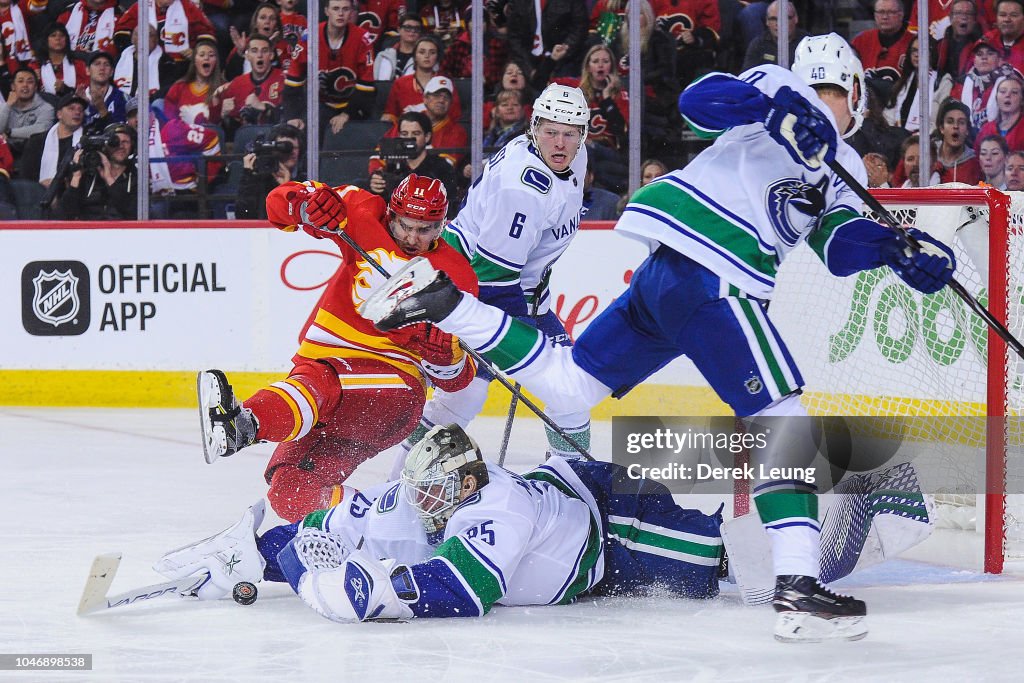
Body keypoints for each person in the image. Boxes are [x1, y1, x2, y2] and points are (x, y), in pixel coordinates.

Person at [360, 33, 958, 641]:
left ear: (855, 96)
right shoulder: (776, 87)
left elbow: (837, 248)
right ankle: (798, 588)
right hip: (712, 273)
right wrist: (779, 111)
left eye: (835, 93)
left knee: (572, 387)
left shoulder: (846, 168)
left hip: (666, 281)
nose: (829, 101)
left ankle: (446, 303)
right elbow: (702, 101)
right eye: (822, 91)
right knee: (785, 418)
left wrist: (894, 250)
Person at [155, 424, 929, 629]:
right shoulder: (432, 489)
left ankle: (859, 501)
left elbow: (456, 593)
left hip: (614, 530)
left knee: (735, 568)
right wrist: (261, 550)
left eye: (431, 496)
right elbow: (335, 512)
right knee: (728, 548)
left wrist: (335, 585)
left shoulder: (496, 508)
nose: (416, 505)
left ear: (459, 488)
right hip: (581, 491)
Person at [197, 175, 479, 523]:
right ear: (390, 213)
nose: (411, 238)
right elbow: (276, 205)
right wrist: (303, 205)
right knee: (290, 490)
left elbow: (458, 379)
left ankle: (244, 425)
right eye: (404, 225)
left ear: (442, 225)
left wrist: (445, 360)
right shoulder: (361, 212)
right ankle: (389, 522)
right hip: (331, 383)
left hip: (392, 395)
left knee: (320, 380)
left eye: (425, 229)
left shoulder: (458, 276)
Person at [396, 83, 591, 474]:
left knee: (569, 388)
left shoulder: (571, 155)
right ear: (534, 126)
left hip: (510, 287)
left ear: (583, 135)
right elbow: (494, 277)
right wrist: (520, 338)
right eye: (551, 130)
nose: (560, 142)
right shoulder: (523, 189)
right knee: (464, 398)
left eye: (570, 133)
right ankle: (401, 483)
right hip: (475, 288)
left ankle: (574, 481)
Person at [283, 0, 376, 134]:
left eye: (345, 9)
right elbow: (293, 83)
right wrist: (292, 116)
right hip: (320, 104)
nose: (340, 14)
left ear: (351, 12)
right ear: (326, 11)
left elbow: (366, 86)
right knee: (301, 131)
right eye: (336, 9)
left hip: (354, 104)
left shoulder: (362, 39)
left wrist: (346, 114)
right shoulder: (309, 37)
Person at [367, 111, 459, 209]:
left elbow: (449, 207)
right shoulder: (390, 168)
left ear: (427, 137)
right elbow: (383, 207)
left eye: (415, 133)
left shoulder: (442, 168)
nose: (409, 139)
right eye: (404, 134)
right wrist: (375, 189)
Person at [54, 122, 137, 219]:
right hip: (87, 231)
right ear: (105, 146)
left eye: (125, 142)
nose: (120, 146)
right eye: (115, 142)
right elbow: (63, 215)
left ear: (132, 146)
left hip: (120, 232)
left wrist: (109, 179)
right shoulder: (90, 175)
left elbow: (133, 212)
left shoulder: (137, 177)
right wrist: (76, 178)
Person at [214, 34, 285, 135]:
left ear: (271, 55)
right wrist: (223, 116)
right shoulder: (236, 84)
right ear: (247, 56)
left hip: (276, 139)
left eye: (264, 51)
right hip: (246, 143)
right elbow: (225, 128)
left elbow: (292, 117)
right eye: (254, 51)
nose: (259, 55)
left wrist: (265, 108)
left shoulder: (284, 79)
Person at [236, 122, 304, 219]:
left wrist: (287, 189)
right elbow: (243, 216)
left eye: (294, 148)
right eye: (284, 148)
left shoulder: (307, 177)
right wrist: (248, 176)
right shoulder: (261, 178)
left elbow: (302, 222)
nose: (291, 152)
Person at [163, 38, 224, 126]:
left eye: (211, 55)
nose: (206, 58)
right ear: (194, 60)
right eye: (202, 55)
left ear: (216, 61)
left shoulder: (223, 89)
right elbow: (169, 122)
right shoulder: (178, 88)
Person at [852, 0, 915, 85]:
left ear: (901, 14)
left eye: (891, 12)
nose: (885, 17)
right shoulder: (860, 41)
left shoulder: (914, 43)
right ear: (875, 15)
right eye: (881, 12)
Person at [741, 0, 808, 72]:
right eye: (773, 19)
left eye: (785, 18)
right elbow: (747, 76)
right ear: (767, 21)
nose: (779, 23)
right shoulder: (758, 44)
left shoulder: (807, 43)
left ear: (796, 19)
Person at [3, 68, 54, 154]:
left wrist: (9, 133)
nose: (25, 85)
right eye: (20, 81)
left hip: (34, 155)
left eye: (30, 82)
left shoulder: (47, 108)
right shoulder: (4, 107)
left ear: (35, 87)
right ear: (13, 86)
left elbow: (41, 129)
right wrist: (7, 106)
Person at [932, 97, 982, 183]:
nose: (956, 126)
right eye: (950, 121)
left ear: (967, 130)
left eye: (961, 122)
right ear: (941, 128)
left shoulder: (975, 164)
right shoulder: (927, 155)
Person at [82, 50, 127, 133]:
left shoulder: (122, 98)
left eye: (106, 65)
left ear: (111, 72)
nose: (102, 68)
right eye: (97, 64)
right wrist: (83, 107)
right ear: (87, 70)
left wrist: (102, 110)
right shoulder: (79, 98)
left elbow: (120, 134)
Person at [374, 13, 422, 81]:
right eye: (408, 27)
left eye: (416, 28)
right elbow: (375, 80)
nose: (412, 31)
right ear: (399, 29)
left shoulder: (423, 57)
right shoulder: (383, 55)